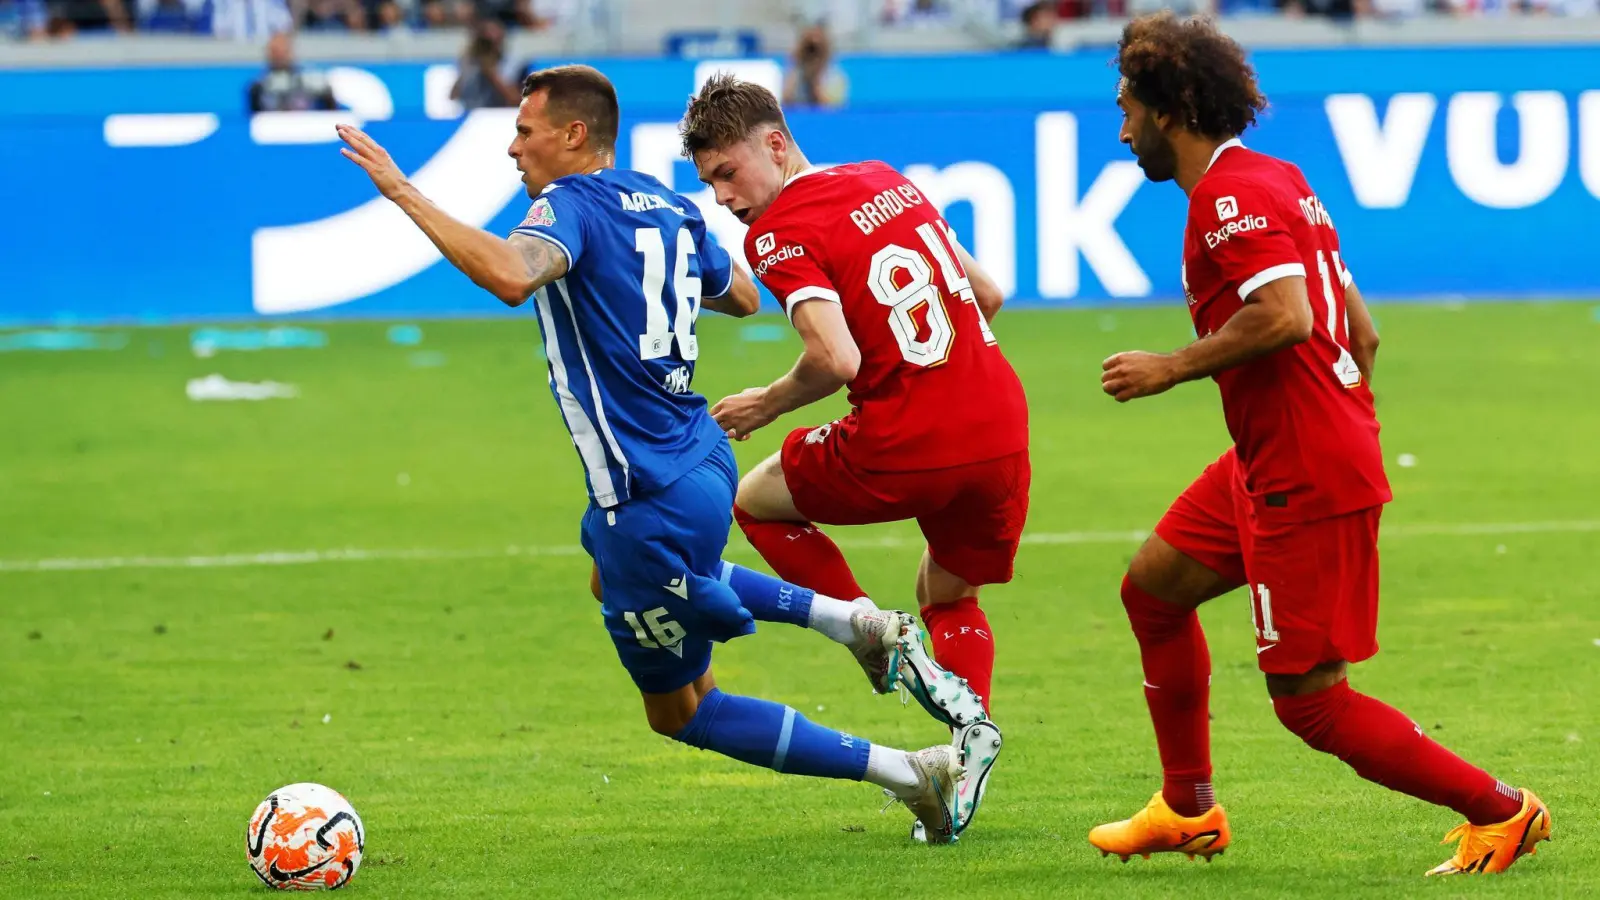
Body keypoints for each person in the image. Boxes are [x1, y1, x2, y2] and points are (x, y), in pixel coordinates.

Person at [334, 64, 988, 843]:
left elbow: (513, 277)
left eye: (524, 130)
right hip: (700, 460)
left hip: (642, 490)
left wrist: (403, 191)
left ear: (574, 136)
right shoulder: (665, 202)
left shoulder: (566, 207)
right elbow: (743, 294)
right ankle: (850, 623)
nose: (513, 149)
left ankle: (906, 766)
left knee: (682, 711)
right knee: (609, 573)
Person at [1091, 12, 1551, 876]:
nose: (1123, 130)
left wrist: (1172, 367)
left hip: (1303, 472)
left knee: (1309, 702)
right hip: (1277, 458)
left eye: (1128, 109)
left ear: (1173, 107)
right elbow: (1361, 333)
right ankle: (1187, 808)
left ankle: (1503, 811)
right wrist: (1334, 414)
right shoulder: (1278, 179)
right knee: (1153, 590)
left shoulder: (1230, 197)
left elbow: (1289, 316)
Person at [680, 74, 1027, 839]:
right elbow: (989, 294)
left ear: (775, 143)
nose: (724, 200)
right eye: (709, 184)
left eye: (728, 174)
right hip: (1002, 427)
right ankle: (968, 744)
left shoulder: (775, 235)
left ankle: (865, 626)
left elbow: (834, 358)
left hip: (909, 437)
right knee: (949, 591)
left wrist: (768, 402)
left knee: (756, 496)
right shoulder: (885, 180)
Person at [249, 33, 336, 113]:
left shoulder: (309, 78)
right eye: (275, 52)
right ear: (269, 54)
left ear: (291, 52)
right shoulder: (258, 86)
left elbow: (330, 106)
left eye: (283, 51)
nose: (280, 56)